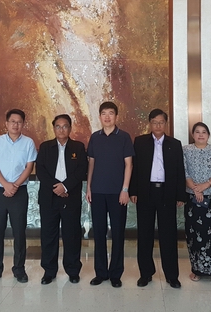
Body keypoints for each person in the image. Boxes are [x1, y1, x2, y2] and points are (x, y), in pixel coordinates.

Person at [130, 109, 187, 289]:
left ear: (166, 124)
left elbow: (180, 170)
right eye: (154, 122)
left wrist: (180, 195)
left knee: (168, 235)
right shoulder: (140, 142)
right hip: (145, 192)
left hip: (167, 193)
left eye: (161, 122)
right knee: (144, 234)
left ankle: (172, 275)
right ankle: (145, 273)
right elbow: (134, 168)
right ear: (150, 123)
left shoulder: (174, 144)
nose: (158, 125)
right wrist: (133, 190)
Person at [0, 109, 37, 284]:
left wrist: (15, 186)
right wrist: (6, 185)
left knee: (19, 233)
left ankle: (19, 269)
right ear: (6, 123)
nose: (15, 125)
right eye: (12, 121)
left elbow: (29, 167)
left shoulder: (28, 143)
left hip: (19, 193)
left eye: (19, 122)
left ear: (23, 124)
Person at [86, 101, 134, 288]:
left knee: (118, 233)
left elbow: (129, 165)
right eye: (104, 113)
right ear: (99, 117)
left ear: (116, 116)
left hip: (117, 193)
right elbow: (91, 164)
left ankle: (115, 273)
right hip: (97, 192)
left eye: (111, 113)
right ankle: (100, 272)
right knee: (98, 233)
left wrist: (125, 189)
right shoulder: (95, 137)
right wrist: (89, 188)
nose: (107, 117)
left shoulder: (124, 137)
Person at [36, 114, 88, 285]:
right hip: (49, 198)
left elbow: (82, 170)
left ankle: (73, 271)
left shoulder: (78, 147)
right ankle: (49, 271)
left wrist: (65, 187)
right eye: (58, 126)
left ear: (70, 128)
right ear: (54, 128)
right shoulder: (45, 147)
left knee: (71, 235)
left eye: (65, 126)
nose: (61, 129)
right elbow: (41, 170)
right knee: (48, 235)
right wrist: (57, 188)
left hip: (70, 197)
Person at [183, 122, 211, 284]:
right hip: (192, 199)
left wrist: (204, 186)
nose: (200, 135)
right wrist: (195, 189)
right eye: (197, 132)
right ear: (192, 135)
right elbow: (183, 171)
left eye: (204, 132)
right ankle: (197, 270)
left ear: (208, 135)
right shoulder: (185, 150)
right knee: (194, 235)